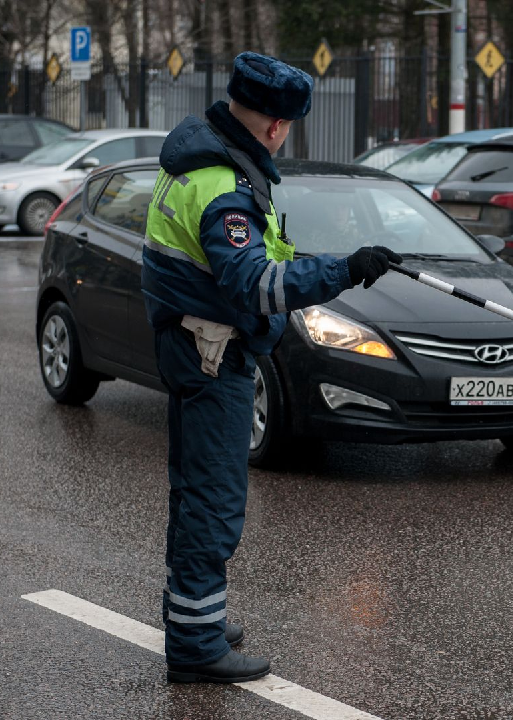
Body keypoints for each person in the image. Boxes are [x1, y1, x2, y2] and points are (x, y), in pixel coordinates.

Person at [141, 51, 402, 684]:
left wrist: (324, 261)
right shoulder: (224, 188)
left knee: (194, 492)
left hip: (191, 346)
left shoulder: (201, 163)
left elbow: (265, 253)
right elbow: (255, 283)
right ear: (278, 124)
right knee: (213, 501)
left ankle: (193, 620)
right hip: (214, 355)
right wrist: (343, 270)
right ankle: (197, 647)